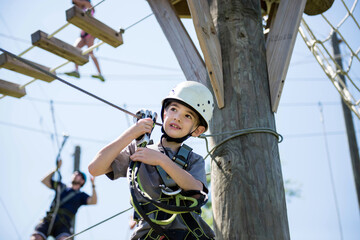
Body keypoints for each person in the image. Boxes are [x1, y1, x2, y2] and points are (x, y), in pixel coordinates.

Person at [88, 81, 216, 239]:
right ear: (164, 114)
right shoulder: (140, 152)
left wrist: (162, 160)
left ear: (197, 130)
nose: (177, 118)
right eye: (174, 109)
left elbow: (197, 190)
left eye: (187, 116)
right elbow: (95, 168)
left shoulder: (193, 159)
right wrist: (132, 133)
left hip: (187, 234)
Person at [31, 160, 97, 240]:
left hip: (63, 224)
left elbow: (93, 201)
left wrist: (93, 185)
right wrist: (56, 168)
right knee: (36, 237)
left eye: (79, 175)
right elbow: (45, 181)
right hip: (49, 219)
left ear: (82, 181)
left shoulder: (81, 195)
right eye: (75, 173)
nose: (75, 175)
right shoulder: (61, 187)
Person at [65, 0, 105, 82]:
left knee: (90, 52)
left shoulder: (88, 5)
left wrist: (76, 2)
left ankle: (100, 73)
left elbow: (81, 2)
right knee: (75, 49)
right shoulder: (81, 8)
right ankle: (76, 70)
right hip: (83, 34)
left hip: (90, 32)